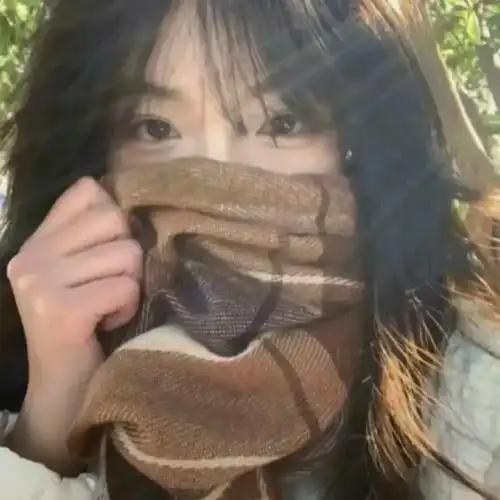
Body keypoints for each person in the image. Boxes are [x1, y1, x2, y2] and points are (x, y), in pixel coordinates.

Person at [0, 1, 499, 499]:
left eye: (283, 123)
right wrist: (48, 418)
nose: (218, 174)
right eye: (155, 128)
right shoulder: (43, 341)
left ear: (355, 141)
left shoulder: (472, 402)